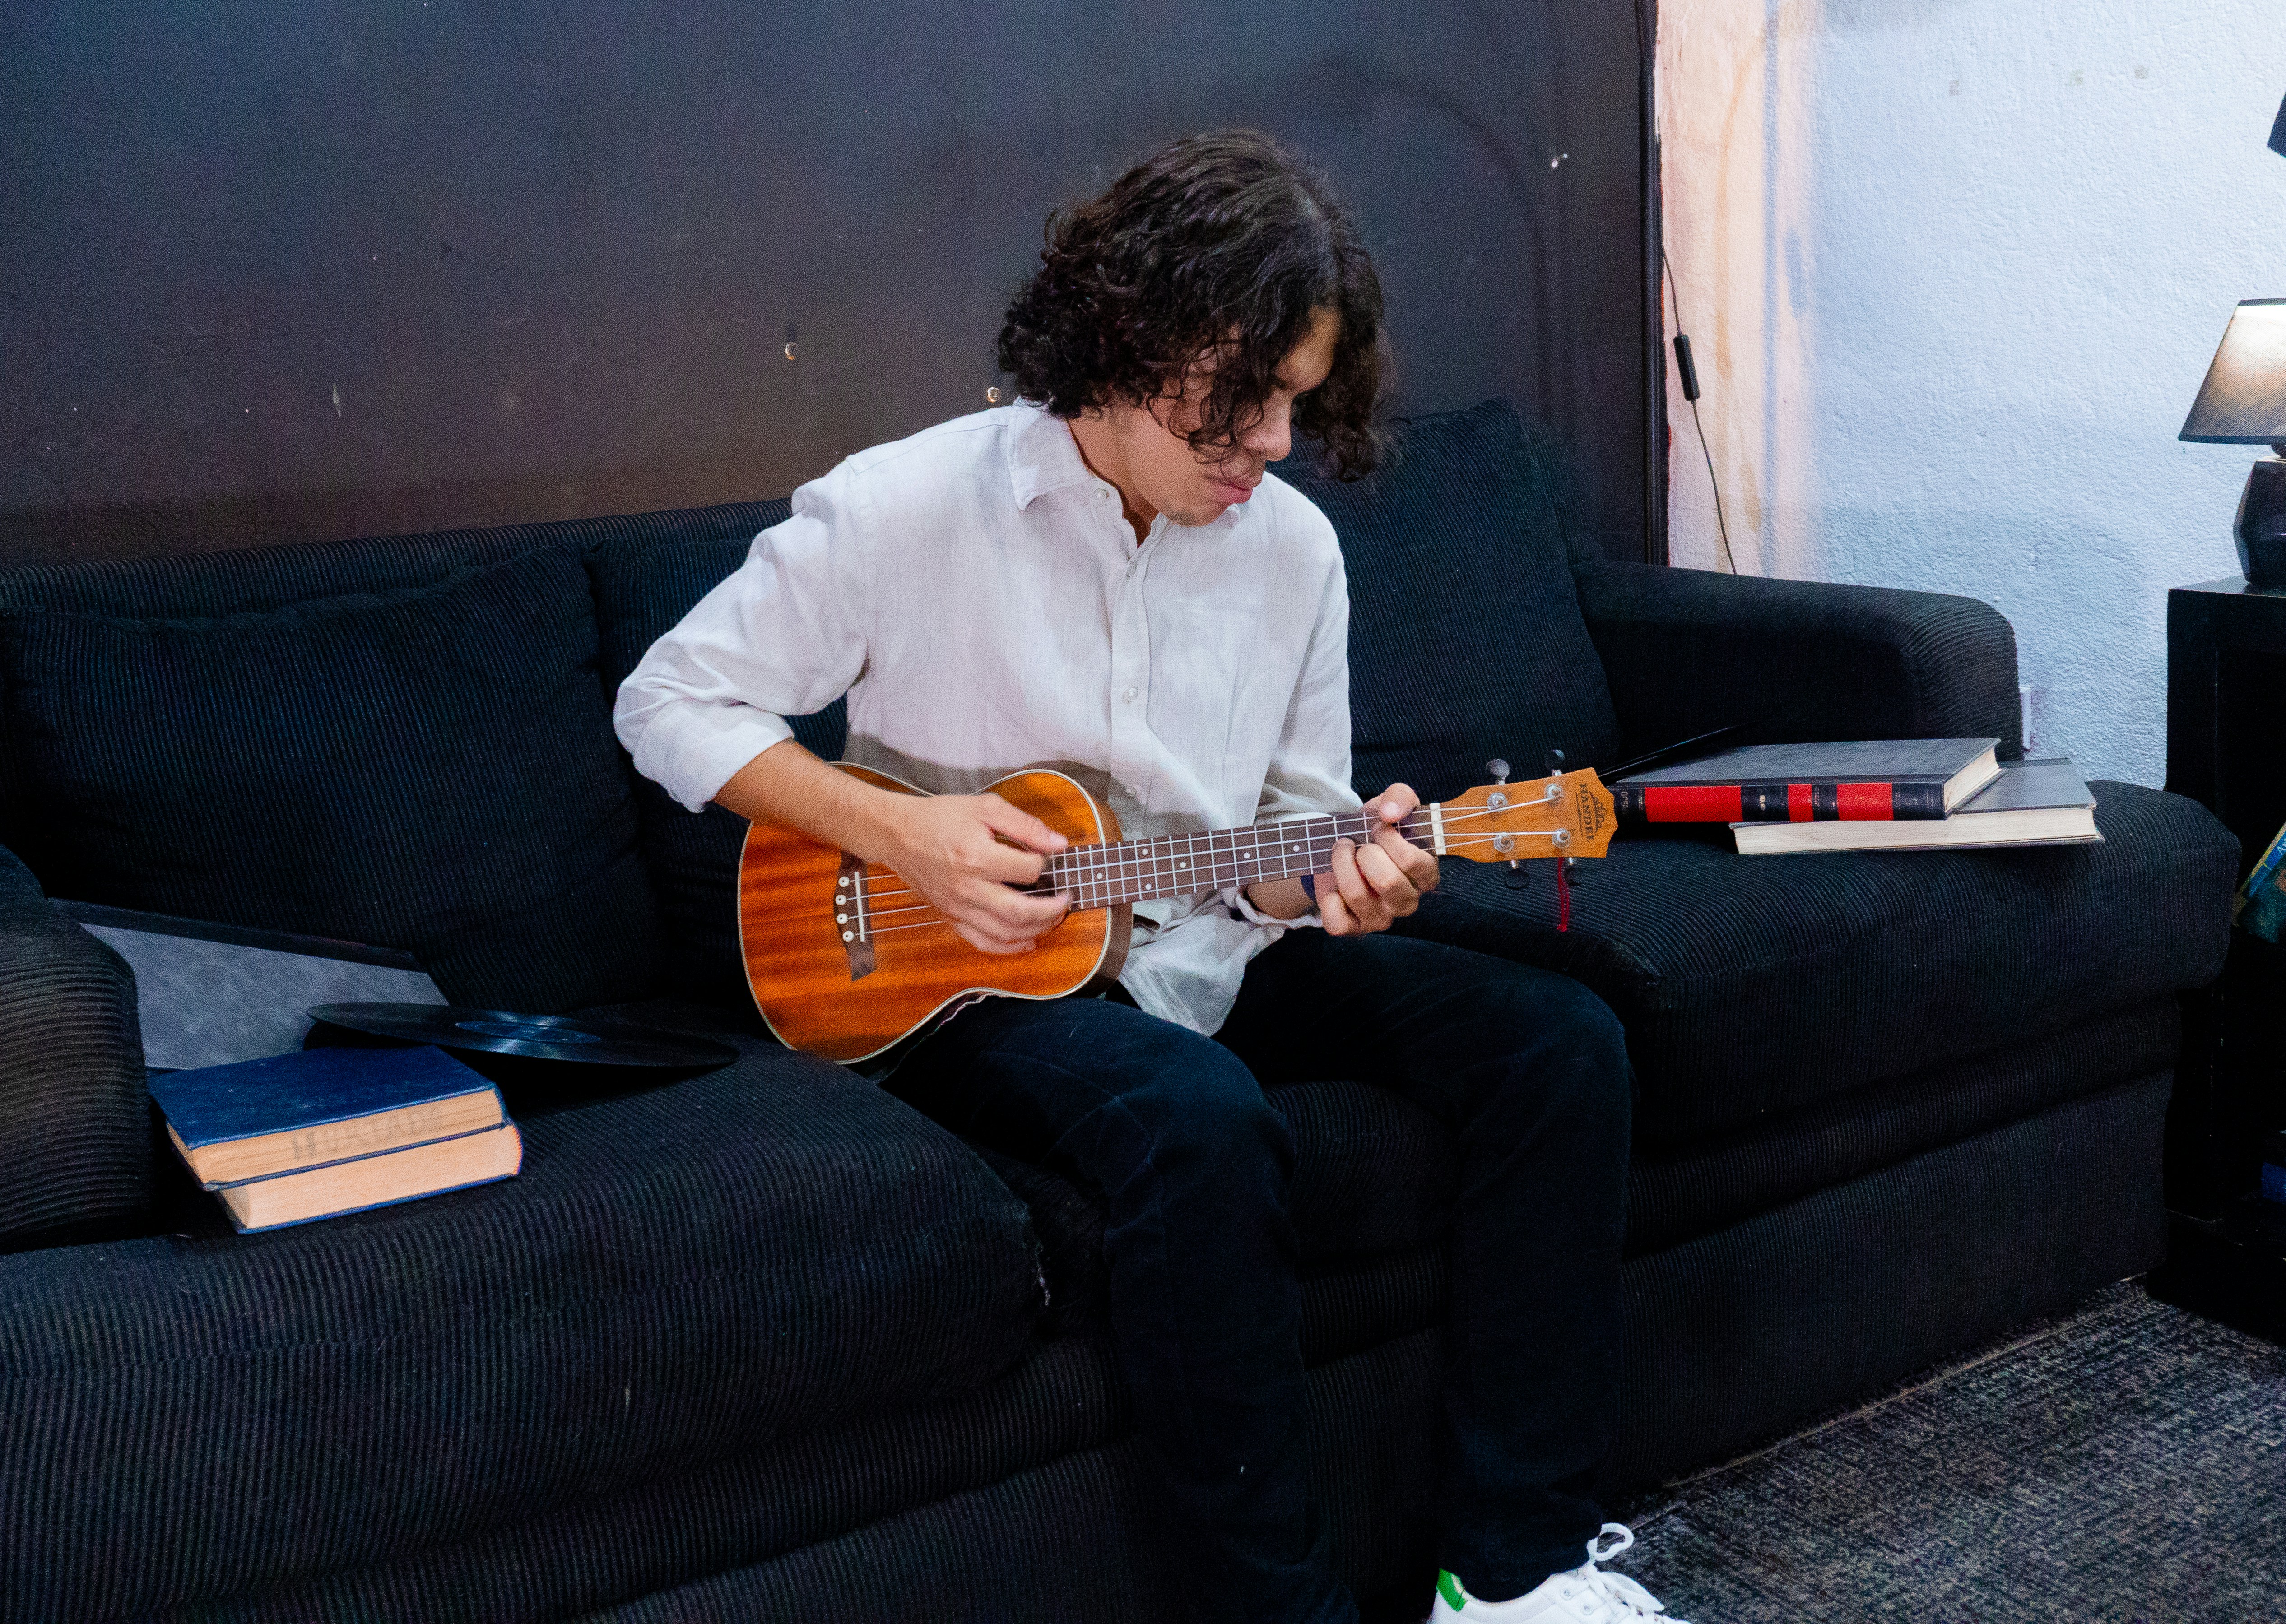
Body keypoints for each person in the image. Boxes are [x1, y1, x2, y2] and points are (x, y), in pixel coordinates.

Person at [615, 129, 1693, 1624]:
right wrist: (900, 831)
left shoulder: (1297, 555)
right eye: (1231, 409)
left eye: (1295, 409)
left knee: (1558, 1045)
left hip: (1198, 945)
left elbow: (1285, 834)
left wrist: (1345, 873)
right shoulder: (905, 507)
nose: (1266, 447)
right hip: (954, 974)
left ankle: (1511, 1574)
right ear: (1120, 339)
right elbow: (667, 703)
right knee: (1196, 1122)